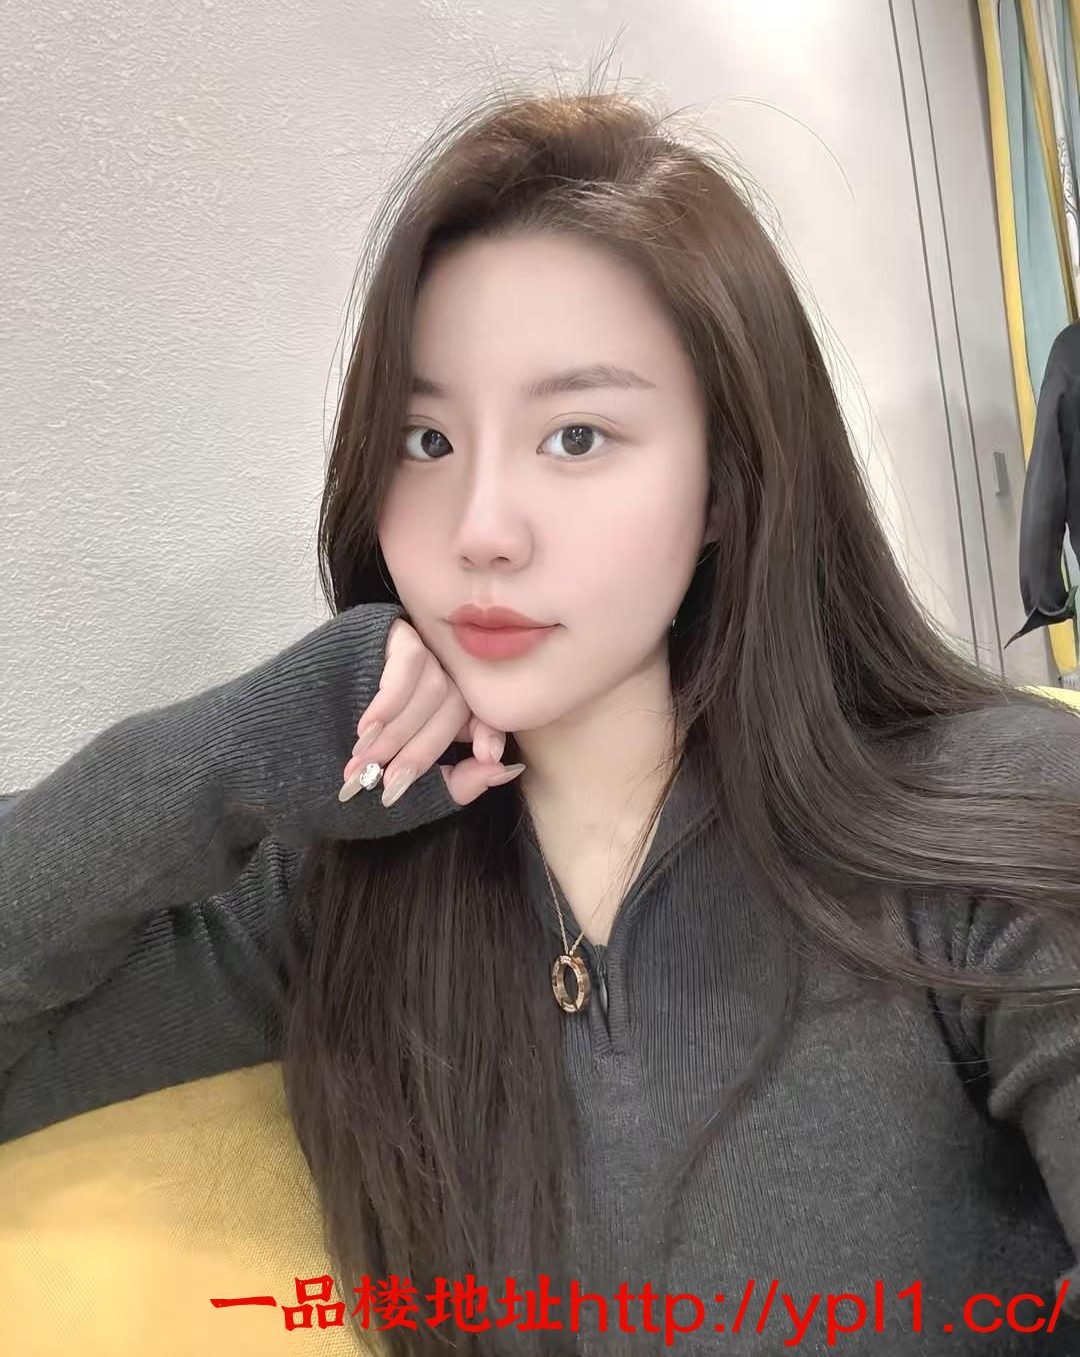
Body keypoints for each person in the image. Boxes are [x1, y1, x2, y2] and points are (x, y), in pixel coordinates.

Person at [4, 83, 1080, 1357]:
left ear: (727, 483)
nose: (481, 531)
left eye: (576, 435)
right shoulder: (344, 890)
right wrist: (246, 745)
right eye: (425, 440)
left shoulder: (995, 827)